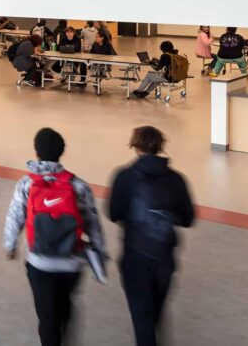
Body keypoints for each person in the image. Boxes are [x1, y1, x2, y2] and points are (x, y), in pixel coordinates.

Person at [3, 128, 107, 346]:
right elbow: (92, 223)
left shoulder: (26, 184)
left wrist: (10, 245)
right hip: (71, 262)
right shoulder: (78, 186)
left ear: (36, 152)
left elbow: (15, 217)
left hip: (39, 262)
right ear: (62, 152)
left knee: (46, 316)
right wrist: (100, 253)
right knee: (65, 302)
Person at [107, 127, 195, 346]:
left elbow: (113, 213)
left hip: (135, 255)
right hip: (164, 256)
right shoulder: (176, 179)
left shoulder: (125, 177)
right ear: (160, 147)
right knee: (154, 313)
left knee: (142, 317)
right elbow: (188, 219)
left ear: (135, 147)